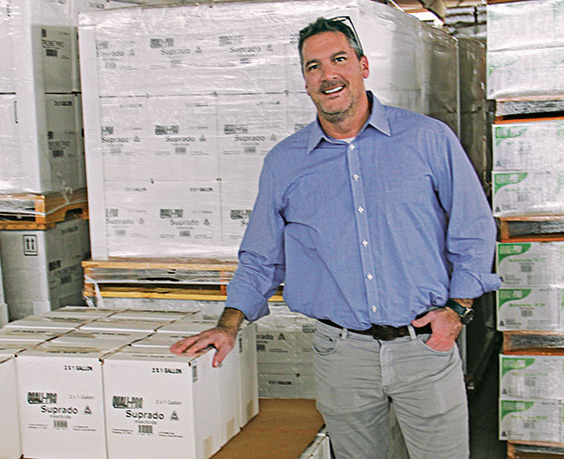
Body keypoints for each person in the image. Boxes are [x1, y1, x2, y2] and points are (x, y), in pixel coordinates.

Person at [171, 16, 500, 459]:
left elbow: (473, 228)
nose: (328, 75)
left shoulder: (426, 139)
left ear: (363, 66)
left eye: (338, 59)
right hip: (341, 354)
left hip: (423, 345)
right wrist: (228, 326)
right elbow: (261, 258)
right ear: (305, 82)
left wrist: (458, 309)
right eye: (313, 66)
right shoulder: (285, 163)